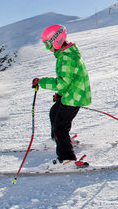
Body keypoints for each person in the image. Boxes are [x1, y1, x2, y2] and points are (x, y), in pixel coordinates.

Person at [32, 25, 91, 167]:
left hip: (74, 97)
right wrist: (60, 95)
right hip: (72, 94)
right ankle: (58, 140)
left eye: (47, 44)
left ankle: (66, 159)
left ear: (56, 40)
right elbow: (68, 80)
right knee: (54, 112)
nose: (47, 48)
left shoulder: (66, 57)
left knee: (60, 127)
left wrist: (42, 82)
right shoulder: (66, 54)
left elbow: (62, 82)